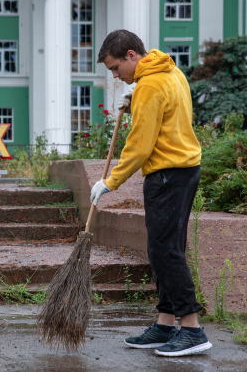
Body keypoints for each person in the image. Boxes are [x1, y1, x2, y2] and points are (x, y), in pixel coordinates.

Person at [90, 29, 211, 357]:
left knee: (164, 251)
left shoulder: (150, 85)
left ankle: (192, 329)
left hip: (167, 175)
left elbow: (140, 146)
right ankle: (164, 323)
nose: (116, 76)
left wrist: (110, 181)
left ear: (131, 55)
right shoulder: (171, 71)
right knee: (169, 247)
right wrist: (134, 104)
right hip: (184, 170)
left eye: (116, 68)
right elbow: (168, 115)